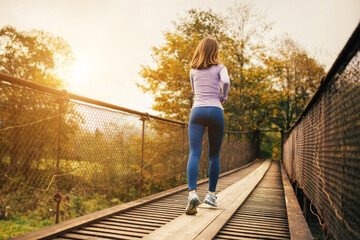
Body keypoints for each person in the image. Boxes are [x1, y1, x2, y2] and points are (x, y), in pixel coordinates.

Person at [185, 37, 230, 215]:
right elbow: (226, 82)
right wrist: (223, 97)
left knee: (194, 153)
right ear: (215, 51)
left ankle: (192, 193)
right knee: (213, 155)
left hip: (197, 111)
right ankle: (211, 195)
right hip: (215, 111)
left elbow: (195, 92)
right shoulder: (220, 68)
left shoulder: (192, 70)